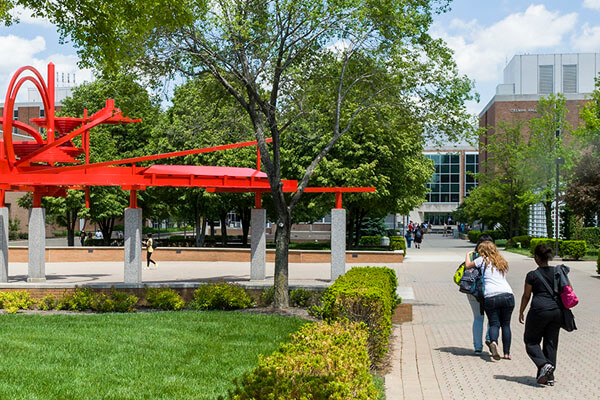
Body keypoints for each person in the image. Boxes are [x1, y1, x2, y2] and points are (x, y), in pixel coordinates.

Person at [519, 244, 569, 386]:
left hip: (539, 311)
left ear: (536, 257)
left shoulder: (532, 275)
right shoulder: (558, 272)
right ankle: (549, 377)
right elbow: (568, 289)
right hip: (556, 311)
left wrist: (521, 310)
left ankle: (543, 364)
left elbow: (526, 295)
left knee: (531, 341)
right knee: (551, 343)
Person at [465, 240, 514, 361]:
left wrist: (468, 254)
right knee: (506, 325)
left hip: (491, 296)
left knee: (494, 323)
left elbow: (467, 265)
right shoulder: (501, 261)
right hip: (508, 294)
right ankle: (507, 353)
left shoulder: (482, 260)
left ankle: (493, 342)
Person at [466, 234, 493, 354]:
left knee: (478, 318)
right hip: (490, 290)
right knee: (492, 318)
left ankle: (478, 347)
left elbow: (466, 268)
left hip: (474, 291)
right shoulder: (494, 257)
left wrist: (467, 254)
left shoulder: (473, 256)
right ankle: (490, 339)